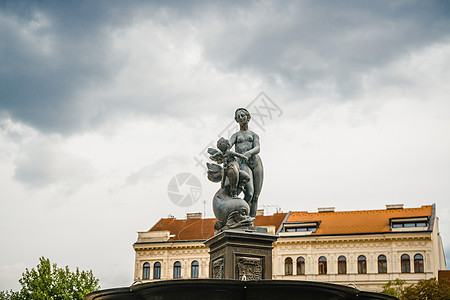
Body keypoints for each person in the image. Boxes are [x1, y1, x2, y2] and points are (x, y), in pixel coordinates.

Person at [229, 108, 264, 217]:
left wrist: (248, 154)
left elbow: (257, 148)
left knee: (256, 196)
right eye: (238, 117)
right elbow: (228, 146)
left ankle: (251, 221)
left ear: (248, 117)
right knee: (249, 192)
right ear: (236, 120)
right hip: (243, 164)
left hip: (256, 163)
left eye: (243, 115)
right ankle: (242, 215)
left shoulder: (254, 135)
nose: (241, 118)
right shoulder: (235, 136)